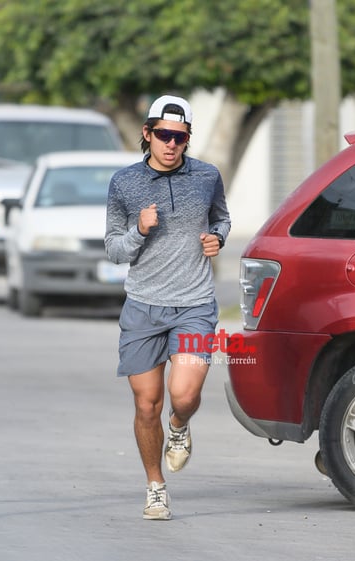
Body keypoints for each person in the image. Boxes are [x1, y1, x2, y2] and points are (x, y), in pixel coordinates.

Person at [104, 95, 231, 521]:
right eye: (163, 135)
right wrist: (139, 230)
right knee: (146, 405)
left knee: (185, 394)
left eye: (179, 137)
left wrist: (218, 237)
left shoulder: (207, 177)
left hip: (195, 303)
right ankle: (155, 487)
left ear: (187, 139)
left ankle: (179, 427)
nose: (171, 144)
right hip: (142, 307)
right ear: (147, 134)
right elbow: (114, 249)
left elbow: (222, 218)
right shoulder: (123, 183)